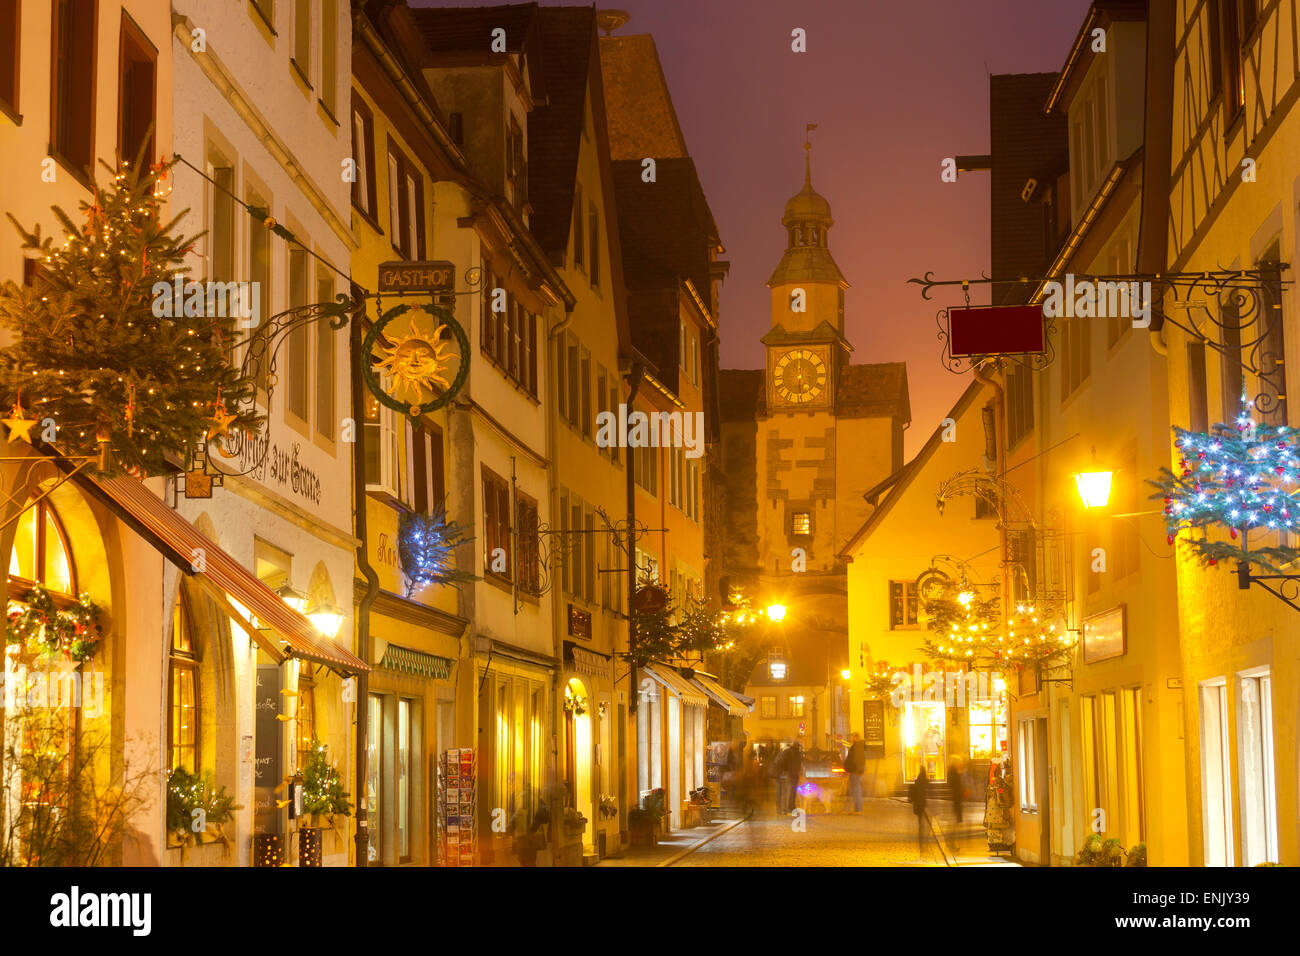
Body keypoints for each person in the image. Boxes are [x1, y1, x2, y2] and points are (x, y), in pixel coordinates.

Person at [843, 732, 866, 814]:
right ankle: (847, 809)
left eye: (851, 737)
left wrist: (852, 770)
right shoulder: (857, 746)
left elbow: (855, 760)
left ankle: (858, 809)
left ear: (855, 737)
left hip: (855, 771)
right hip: (854, 771)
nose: (850, 739)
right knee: (851, 790)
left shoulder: (857, 747)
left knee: (856, 790)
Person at [910, 767, 930, 856]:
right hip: (925, 806)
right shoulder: (926, 782)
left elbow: (912, 796)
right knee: (927, 826)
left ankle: (922, 845)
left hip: (919, 807)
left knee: (921, 825)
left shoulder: (917, 782)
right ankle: (925, 844)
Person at [948, 755, 965, 823]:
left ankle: (959, 817)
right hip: (956, 789)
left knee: (957, 803)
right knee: (957, 803)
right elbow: (954, 780)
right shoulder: (953, 770)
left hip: (956, 789)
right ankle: (959, 818)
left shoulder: (954, 769)